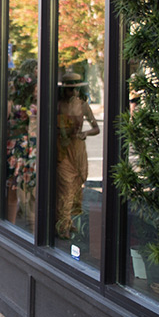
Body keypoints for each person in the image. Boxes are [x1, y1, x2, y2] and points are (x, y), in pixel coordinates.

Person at [56, 70, 100, 240]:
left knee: (76, 184)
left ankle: (68, 219)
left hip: (78, 149)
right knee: (65, 187)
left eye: (75, 90)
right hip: (62, 149)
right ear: (64, 90)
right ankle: (63, 224)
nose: (72, 93)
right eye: (69, 89)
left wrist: (86, 133)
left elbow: (96, 128)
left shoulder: (82, 105)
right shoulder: (58, 105)